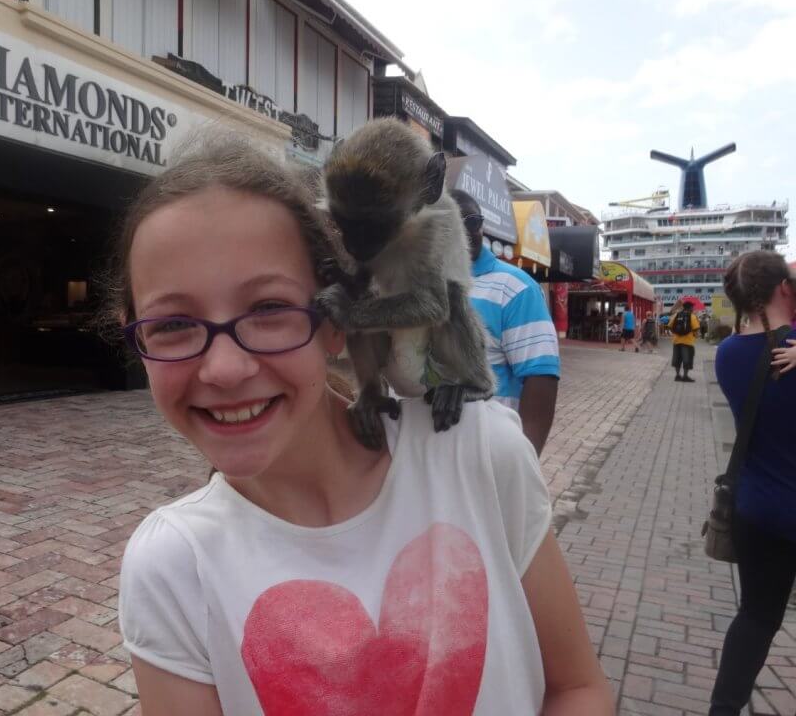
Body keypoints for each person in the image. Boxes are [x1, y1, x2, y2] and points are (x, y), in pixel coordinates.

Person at [113, 135, 613, 715]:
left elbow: (577, 686)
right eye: (173, 324)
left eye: (270, 309)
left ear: (332, 326)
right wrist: (372, 384)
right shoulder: (171, 567)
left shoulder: (481, 455)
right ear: (137, 339)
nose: (225, 369)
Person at [709, 251, 796, 715]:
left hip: (758, 510)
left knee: (758, 617)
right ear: (785, 287)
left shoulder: (727, 355)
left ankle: (723, 708)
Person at [453, 191, 560, 456]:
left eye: (474, 221)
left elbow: (541, 378)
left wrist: (525, 461)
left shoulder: (516, 288)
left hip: (489, 453)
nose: (467, 230)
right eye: (455, 222)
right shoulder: (418, 284)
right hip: (427, 457)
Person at [668, 300, 701, 382]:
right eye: (692, 307)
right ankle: (685, 376)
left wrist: (675, 333)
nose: (693, 308)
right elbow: (696, 329)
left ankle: (677, 376)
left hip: (676, 341)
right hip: (688, 342)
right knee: (687, 359)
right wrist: (696, 336)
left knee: (677, 359)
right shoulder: (692, 316)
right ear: (690, 308)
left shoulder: (677, 315)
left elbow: (670, 326)